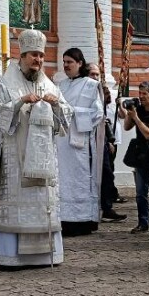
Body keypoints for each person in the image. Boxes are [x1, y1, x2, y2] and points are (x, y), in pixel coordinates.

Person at [0, 29, 70, 267]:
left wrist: (56, 105)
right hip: (16, 159)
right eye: (34, 55)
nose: (38, 60)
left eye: (41, 56)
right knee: (16, 204)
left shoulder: (49, 85)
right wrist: (20, 101)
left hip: (44, 161)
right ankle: (11, 257)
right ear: (21, 56)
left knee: (44, 202)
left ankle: (44, 255)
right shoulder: (5, 85)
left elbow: (67, 118)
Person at [56, 47, 106, 234]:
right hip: (61, 140)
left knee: (80, 179)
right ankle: (64, 219)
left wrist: (72, 112)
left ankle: (82, 220)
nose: (66, 65)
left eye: (70, 62)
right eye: (64, 62)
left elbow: (97, 113)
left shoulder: (91, 85)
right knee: (63, 179)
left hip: (80, 142)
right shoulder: (60, 85)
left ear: (80, 63)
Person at [119, 80, 149, 234]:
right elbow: (127, 127)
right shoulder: (138, 109)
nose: (141, 96)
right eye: (140, 93)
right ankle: (142, 223)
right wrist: (130, 113)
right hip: (141, 158)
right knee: (140, 193)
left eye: (145, 93)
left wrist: (136, 118)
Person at [90, 61, 126, 222]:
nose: (95, 77)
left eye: (97, 75)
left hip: (105, 139)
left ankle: (107, 205)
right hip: (90, 139)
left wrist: (108, 140)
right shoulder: (88, 93)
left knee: (107, 172)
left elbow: (110, 118)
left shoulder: (105, 95)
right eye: (92, 74)